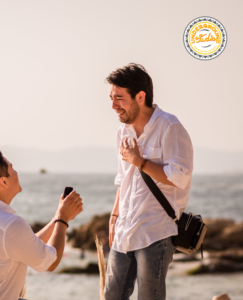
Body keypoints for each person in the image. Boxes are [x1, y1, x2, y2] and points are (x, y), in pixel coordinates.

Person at [104, 63, 193, 300]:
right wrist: (114, 217)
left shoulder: (170, 126)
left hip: (156, 232)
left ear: (140, 96)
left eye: (119, 98)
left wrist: (140, 161)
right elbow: (124, 179)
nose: (113, 105)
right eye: (111, 98)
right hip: (124, 230)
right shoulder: (122, 132)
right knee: (112, 296)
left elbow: (180, 178)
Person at [0, 149, 83, 300]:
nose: (17, 173)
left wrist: (57, 216)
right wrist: (63, 221)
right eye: (13, 169)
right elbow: (50, 263)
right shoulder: (10, 225)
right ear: (3, 181)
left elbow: (23, 244)